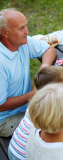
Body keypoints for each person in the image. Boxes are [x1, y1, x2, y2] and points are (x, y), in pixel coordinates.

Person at [0, 9, 56, 137]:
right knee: (53, 125)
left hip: (26, 107)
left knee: (59, 108)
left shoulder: (21, 42)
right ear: (5, 32)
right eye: (21, 28)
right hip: (6, 119)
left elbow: (49, 49)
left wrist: (43, 68)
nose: (27, 31)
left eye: (26, 25)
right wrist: (33, 95)